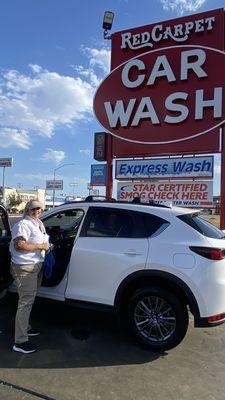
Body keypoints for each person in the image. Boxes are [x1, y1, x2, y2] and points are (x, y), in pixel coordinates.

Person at [10, 200, 49, 354]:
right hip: (25, 268)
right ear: (27, 210)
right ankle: (20, 341)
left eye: (39, 208)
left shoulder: (38, 222)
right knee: (25, 302)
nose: (37, 211)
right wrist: (41, 246)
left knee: (29, 299)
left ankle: (25, 327)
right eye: (34, 208)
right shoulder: (22, 225)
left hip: (36, 266)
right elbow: (19, 245)